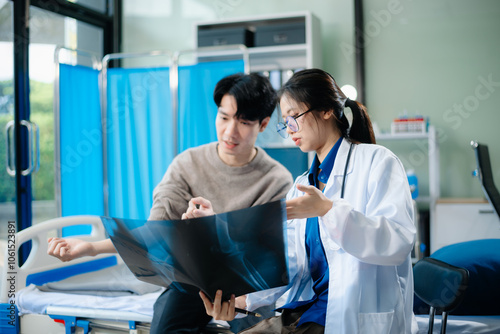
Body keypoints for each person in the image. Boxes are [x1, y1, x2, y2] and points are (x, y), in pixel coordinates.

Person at [47, 73, 294, 334]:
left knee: (261, 329)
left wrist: (215, 228)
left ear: (263, 124)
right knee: (165, 328)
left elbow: (267, 258)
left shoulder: (276, 180)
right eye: (223, 117)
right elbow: (155, 232)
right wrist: (91, 247)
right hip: (190, 280)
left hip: (246, 284)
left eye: (244, 122)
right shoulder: (187, 164)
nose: (230, 132)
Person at [199, 68, 417, 333]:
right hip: (308, 313)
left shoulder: (377, 162)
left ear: (326, 109)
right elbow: (289, 264)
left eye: (294, 117)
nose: (290, 130)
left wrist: (328, 210)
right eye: (285, 122)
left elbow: (397, 242)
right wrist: (241, 300)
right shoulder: (302, 185)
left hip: (352, 319)